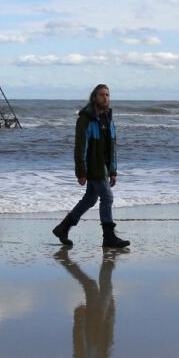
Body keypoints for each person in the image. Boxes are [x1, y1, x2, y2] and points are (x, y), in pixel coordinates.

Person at [53, 84, 130, 248]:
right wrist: (81, 171)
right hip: (93, 167)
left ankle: (63, 228)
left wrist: (113, 171)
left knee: (90, 199)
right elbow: (80, 148)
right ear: (94, 97)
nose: (105, 98)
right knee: (107, 197)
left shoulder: (108, 119)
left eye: (107, 95)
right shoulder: (85, 119)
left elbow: (112, 148)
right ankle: (108, 237)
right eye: (101, 95)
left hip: (104, 167)